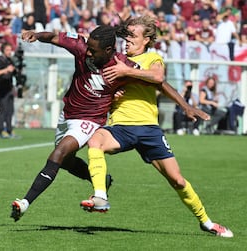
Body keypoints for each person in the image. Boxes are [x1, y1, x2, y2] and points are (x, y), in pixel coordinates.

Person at [10, 26, 209, 222]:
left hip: (89, 120)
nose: (88, 52)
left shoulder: (123, 65)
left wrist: (186, 106)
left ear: (108, 50)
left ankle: (25, 202)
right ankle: (102, 180)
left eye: (93, 51)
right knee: (67, 162)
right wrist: (36, 35)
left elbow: (159, 82)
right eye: (88, 47)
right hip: (68, 114)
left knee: (57, 154)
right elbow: (53, 37)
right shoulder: (81, 47)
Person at [80, 15, 233, 238]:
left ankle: (207, 222)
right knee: (95, 141)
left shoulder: (152, 58)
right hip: (121, 126)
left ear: (147, 39)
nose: (127, 39)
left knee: (178, 180)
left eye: (133, 35)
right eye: (126, 35)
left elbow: (158, 77)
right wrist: (112, 93)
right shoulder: (115, 58)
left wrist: (185, 106)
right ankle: (100, 196)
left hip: (149, 130)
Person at [0, 42, 17, 139]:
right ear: (3, 50)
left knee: (10, 110)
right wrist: (6, 70)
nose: (9, 52)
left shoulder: (10, 60)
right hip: (1, 89)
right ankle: (1, 130)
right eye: (7, 50)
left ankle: (9, 130)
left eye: (10, 50)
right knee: (3, 110)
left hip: (9, 88)